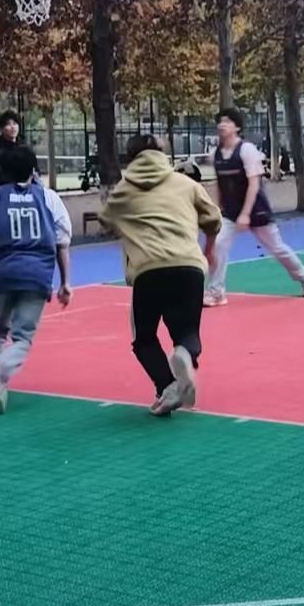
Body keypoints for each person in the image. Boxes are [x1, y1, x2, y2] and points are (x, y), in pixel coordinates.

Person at [99, 133, 223, 416]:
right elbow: (213, 219)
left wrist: (130, 224)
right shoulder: (186, 184)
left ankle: (167, 385)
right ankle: (184, 354)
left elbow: (106, 220)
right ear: (162, 154)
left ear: (131, 158)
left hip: (148, 270)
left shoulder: (123, 191)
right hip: (189, 266)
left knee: (144, 338)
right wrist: (209, 248)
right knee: (187, 331)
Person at [0, 142, 73, 413]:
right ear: (34, 170)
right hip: (37, 275)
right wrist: (65, 282)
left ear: (3, 171)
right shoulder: (49, 197)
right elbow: (62, 241)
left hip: (3, 273)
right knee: (23, 337)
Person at [203, 107, 304, 307]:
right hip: (230, 212)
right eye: (220, 121)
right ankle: (216, 291)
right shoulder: (216, 154)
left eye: (227, 121)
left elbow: (254, 184)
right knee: (218, 245)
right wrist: (218, 209)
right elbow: (219, 184)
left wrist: (246, 214)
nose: (222, 125)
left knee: (277, 249)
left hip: (256, 209)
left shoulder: (247, 150)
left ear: (237, 127)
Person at [0, 111, 36, 190]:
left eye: (15, 123)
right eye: (8, 124)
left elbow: (35, 171)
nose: (13, 127)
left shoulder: (27, 150)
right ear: (1, 128)